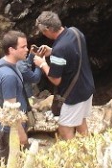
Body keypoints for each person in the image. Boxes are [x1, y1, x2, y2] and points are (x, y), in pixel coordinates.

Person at [33, 11, 95, 140]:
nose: (44, 34)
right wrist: (52, 51)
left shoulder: (60, 49)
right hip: (87, 87)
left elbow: (56, 80)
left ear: (49, 29)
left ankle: (73, 157)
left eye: (44, 32)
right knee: (80, 122)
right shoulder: (75, 32)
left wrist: (42, 64)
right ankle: (90, 152)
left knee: (64, 128)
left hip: (74, 96)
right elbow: (73, 54)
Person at [0, 31, 40, 159]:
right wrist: (22, 135)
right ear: (11, 49)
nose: (27, 49)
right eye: (23, 47)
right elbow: (11, 110)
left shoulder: (2, 63)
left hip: (6, 128)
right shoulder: (9, 76)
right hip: (10, 131)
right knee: (11, 167)